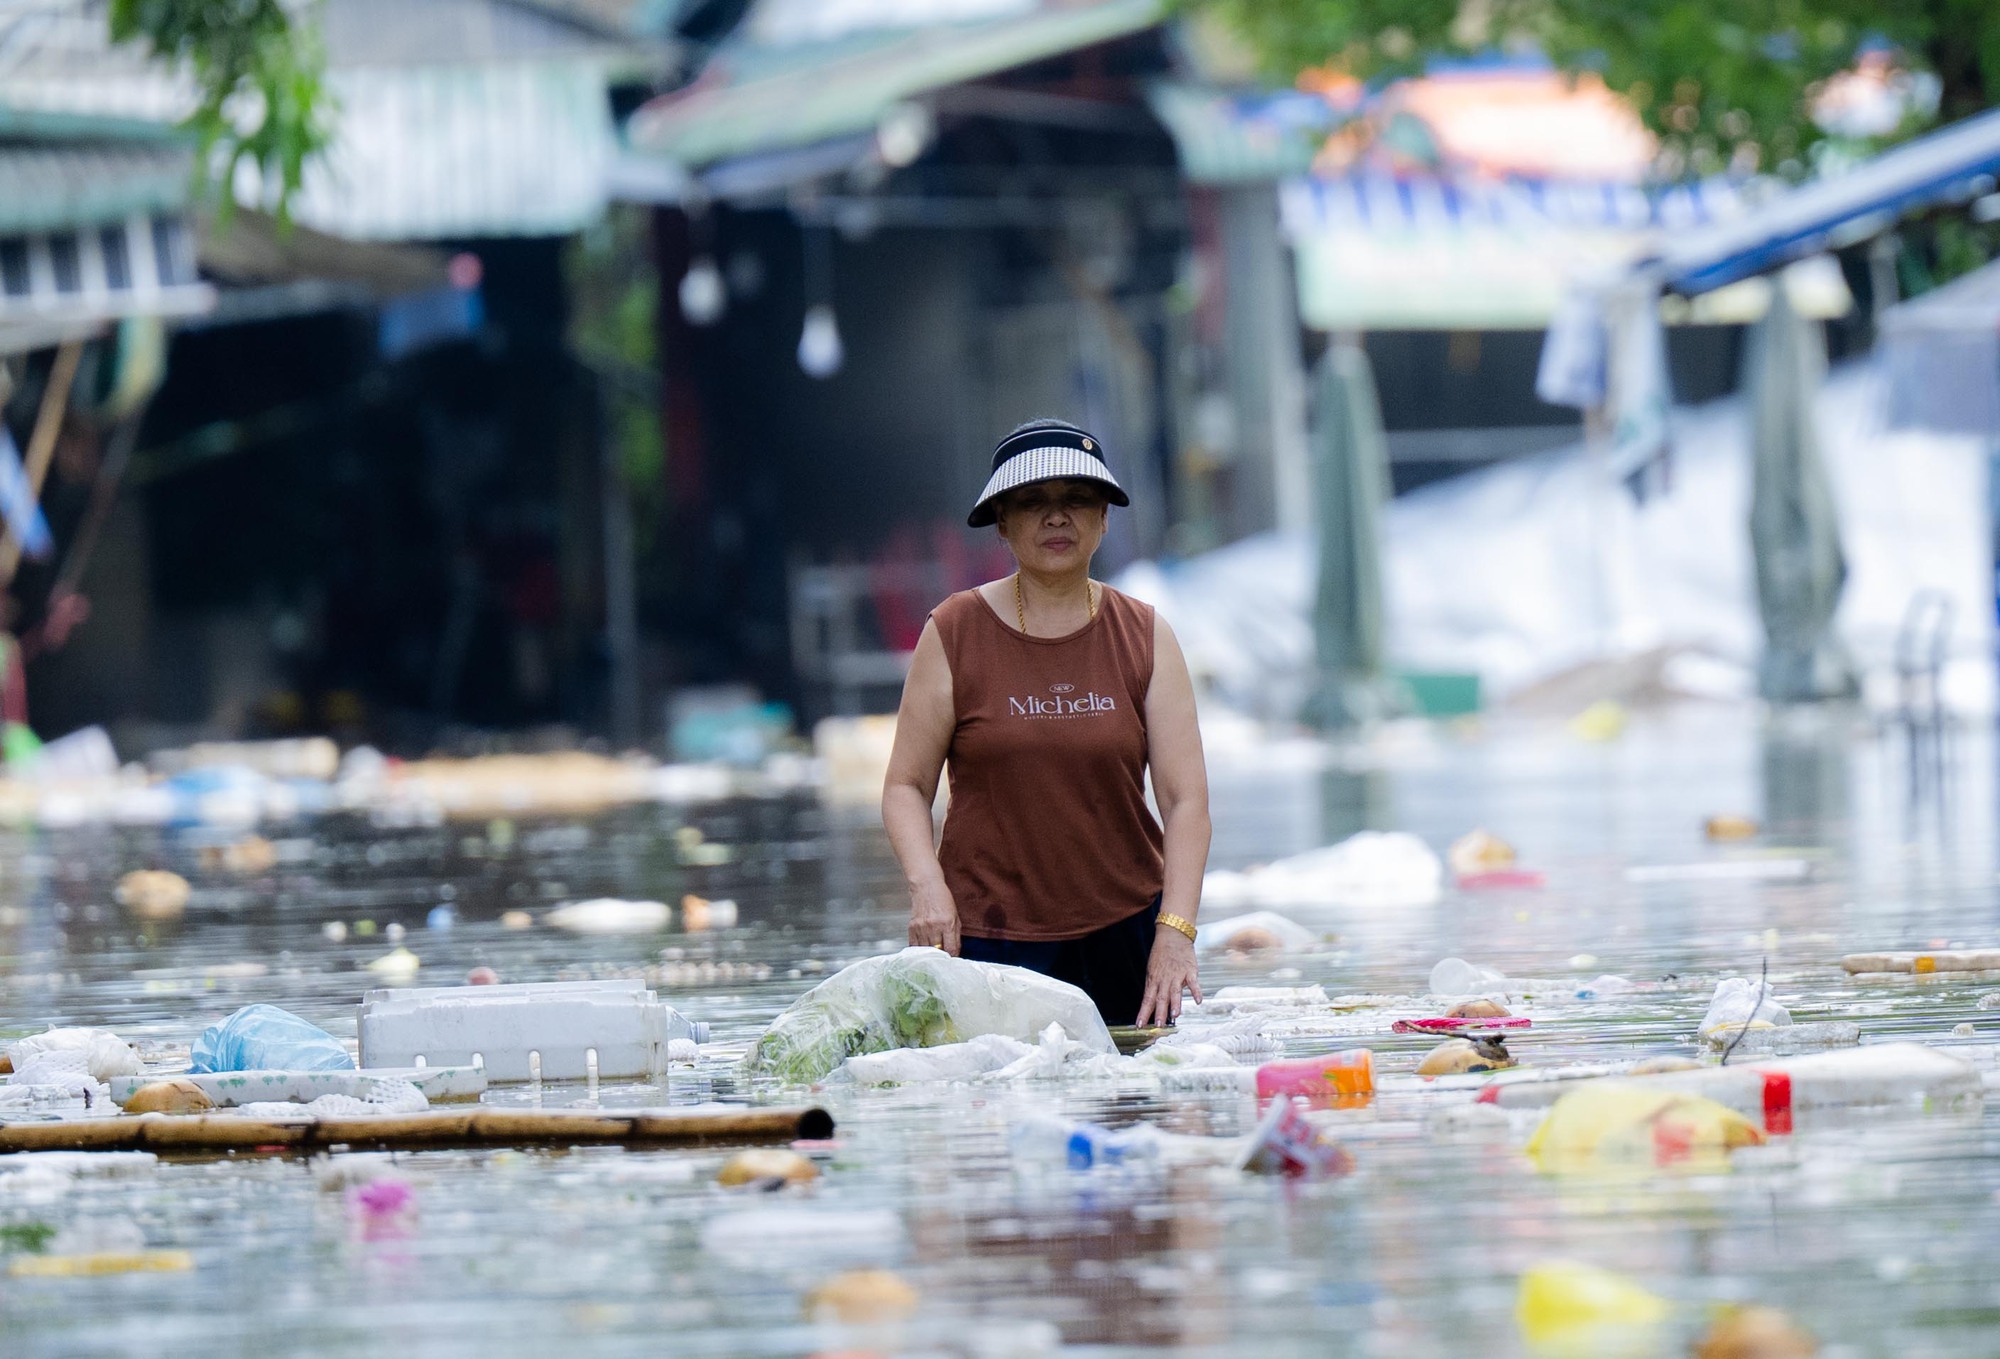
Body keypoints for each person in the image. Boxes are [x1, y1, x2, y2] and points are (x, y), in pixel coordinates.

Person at [882, 418, 1211, 1027]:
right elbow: (905, 786)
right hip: (987, 939)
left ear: (1104, 518)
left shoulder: (1146, 635)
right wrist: (927, 887)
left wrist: (1176, 931)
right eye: (1033, 503)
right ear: (1002, 524)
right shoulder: (952, 632)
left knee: (1135, 1108)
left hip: (1127, 939)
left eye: (1076, 500)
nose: (1056, 518)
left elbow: (1185, 799)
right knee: (1000, 1110)